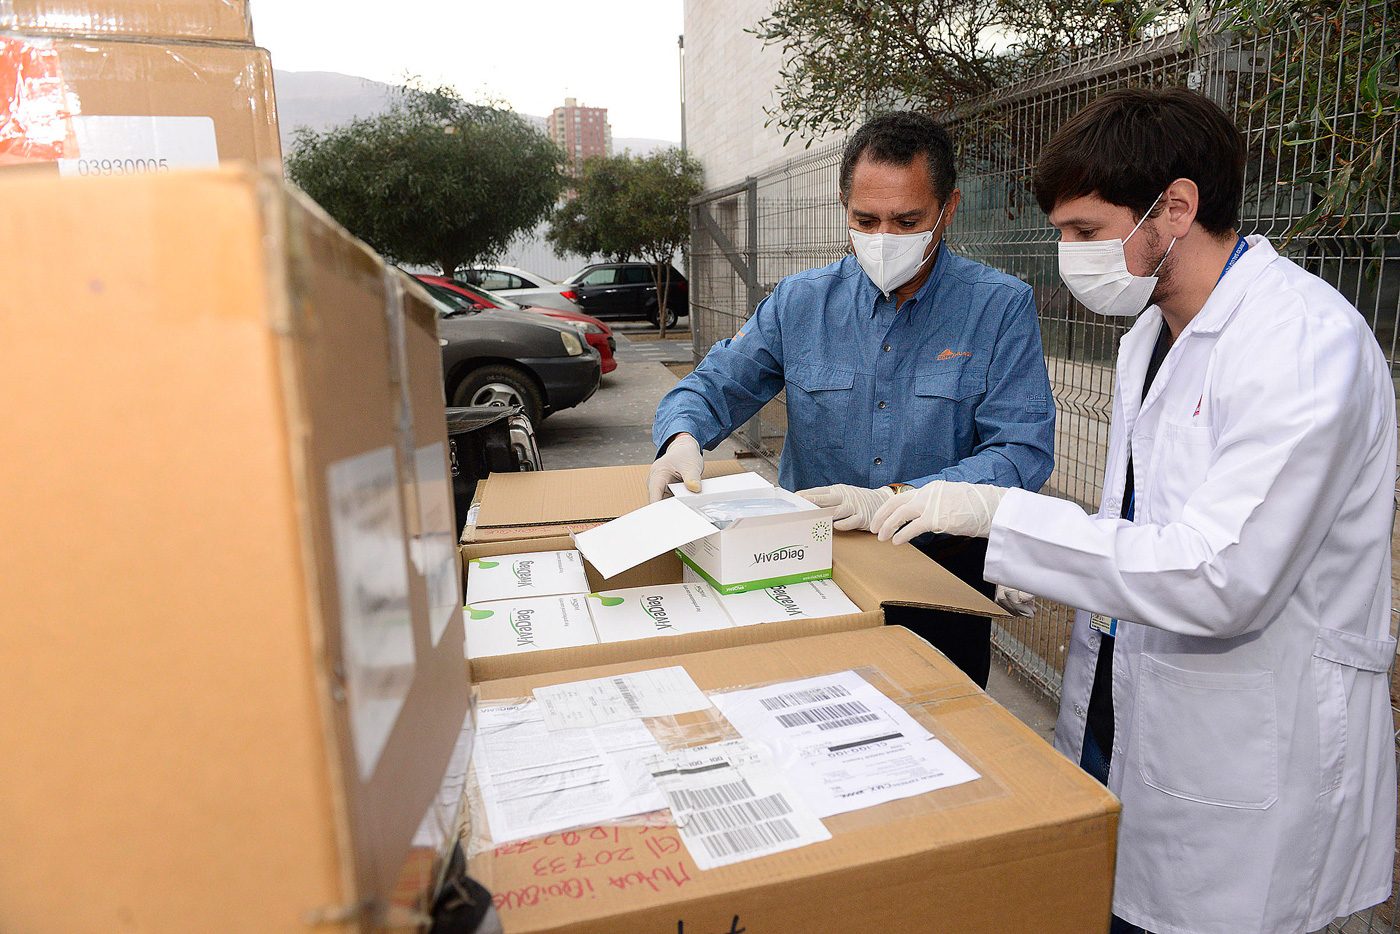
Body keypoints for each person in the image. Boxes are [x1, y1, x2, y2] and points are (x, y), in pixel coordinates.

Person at [870, 87, 1398, 934]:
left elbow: (1221, 576)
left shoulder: (1301, 346)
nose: (1069, 253)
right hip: (1127, 706)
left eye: (1085, 231)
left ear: (1176, 209)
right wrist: (1031, 563)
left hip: (1251, 756)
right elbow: (1135, 530)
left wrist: (1001, 520)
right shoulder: (1150, 337)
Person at [648, 111, 1055, 687]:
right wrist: (682, 436)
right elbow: (715, 383)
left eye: (907, 220)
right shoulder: (800, 302)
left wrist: (898, 499)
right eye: (865, 219)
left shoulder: (998, 307)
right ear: (844, 205)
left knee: (946, 736)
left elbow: (1021, 449)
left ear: (948, 209)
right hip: (807, 573)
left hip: (939, 579)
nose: (883, 238)